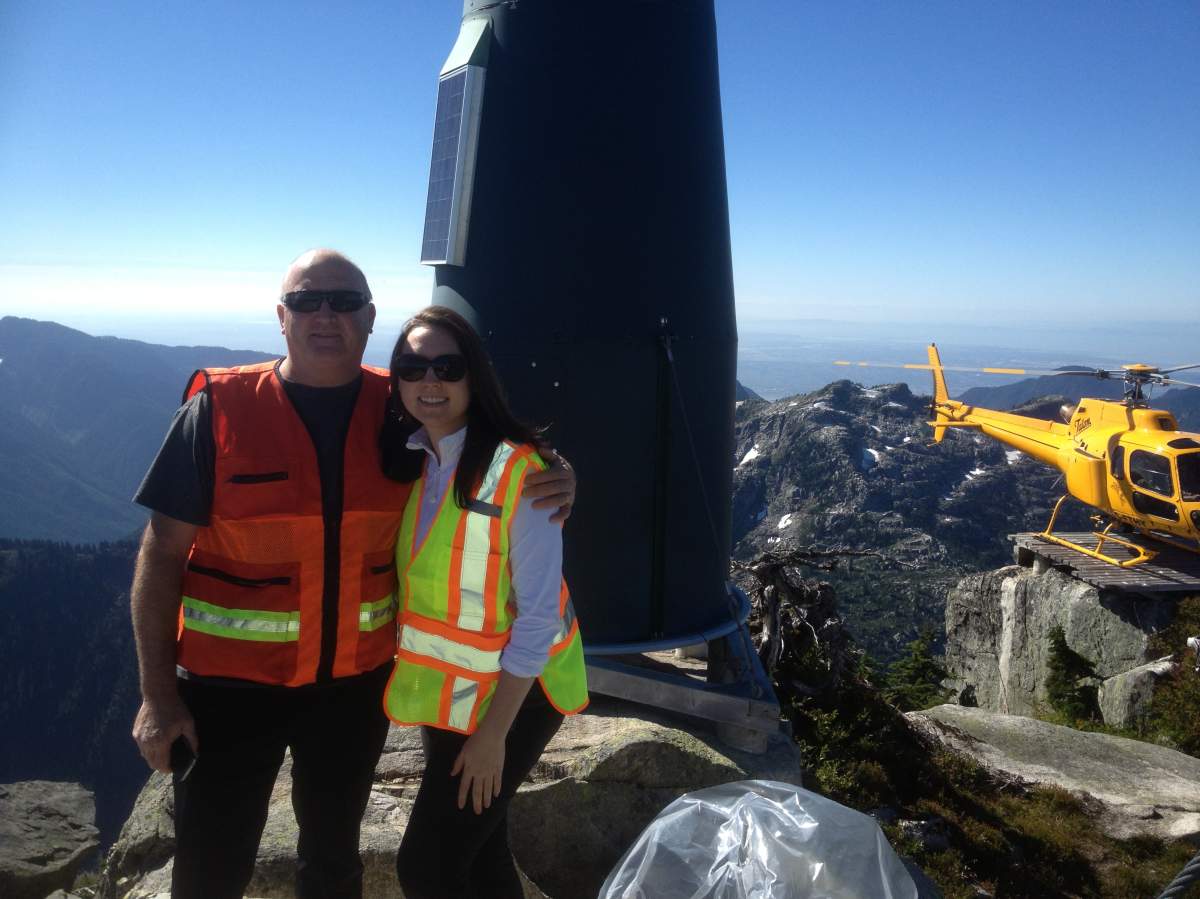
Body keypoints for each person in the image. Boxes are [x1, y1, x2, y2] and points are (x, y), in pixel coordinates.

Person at [129, 250, 575, 899]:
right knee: (208, 870)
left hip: (351, 694)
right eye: (308, 301)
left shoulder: (399, 412)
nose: (325, 315)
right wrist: (157, 695)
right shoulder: (219, 409)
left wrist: (560, 476)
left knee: (334, 862)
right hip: (228, 691)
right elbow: (161, 552)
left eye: (343, 301)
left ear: (369, 318)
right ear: (281, 317)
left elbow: (489, 450)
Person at [379, 306, 588, 899]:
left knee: (427, 866)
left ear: (476, 376)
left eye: (448, 366)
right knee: (482, 848)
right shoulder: (420, 457)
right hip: (458, 688)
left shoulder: (522, 474)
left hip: (517, 698)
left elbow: (539, 615)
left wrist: (493, 735)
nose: (430, 381)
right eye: (412, 367)